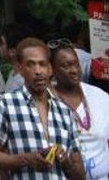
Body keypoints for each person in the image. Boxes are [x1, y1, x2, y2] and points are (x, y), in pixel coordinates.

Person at [0, 39, 84, 180]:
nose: (38, 71)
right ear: (20, 69)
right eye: (30, 65)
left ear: (50, 69)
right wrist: (26, 159)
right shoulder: (5, 104)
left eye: (42, 64)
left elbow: (80, 175)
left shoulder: (65, 112)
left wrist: (65, 161)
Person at [49, 41, 109, 180]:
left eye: (76, 64)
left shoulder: (100, 96)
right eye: (66, 66)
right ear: (52, 69)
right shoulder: (45, 99)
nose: (74, 70)